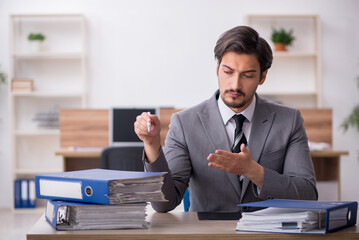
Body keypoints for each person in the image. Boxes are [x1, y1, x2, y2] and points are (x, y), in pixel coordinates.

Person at [134, 25, 318, 213]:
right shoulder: (184, 123)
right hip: (209, 233)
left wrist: (252, 171)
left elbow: (307, 193)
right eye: (228, 72)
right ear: (217, 69)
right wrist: (151, 144)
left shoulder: (289, 121)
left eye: (247, 75)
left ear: (262, 76)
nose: (235, 85)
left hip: (267, 232)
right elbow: (164, 203)